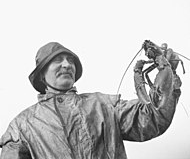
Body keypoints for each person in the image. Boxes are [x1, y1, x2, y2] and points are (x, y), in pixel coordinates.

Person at [0, 41, 182, 159]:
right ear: (41, 75)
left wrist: (168, 75)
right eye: (57, 60)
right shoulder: (21, 126)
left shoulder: (104, 104)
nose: (66, 64)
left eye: (70, 61)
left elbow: (153, 119)